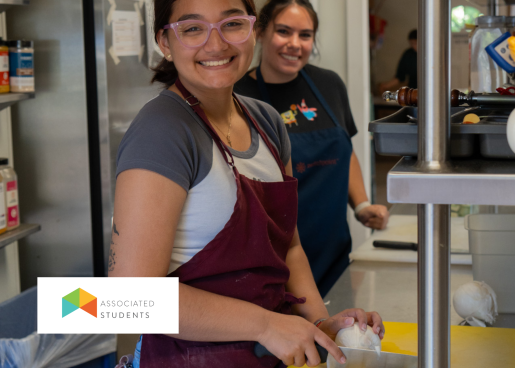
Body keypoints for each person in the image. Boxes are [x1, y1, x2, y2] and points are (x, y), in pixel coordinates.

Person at [109, 0, 385, 367]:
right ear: (165, 41)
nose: (216, 44)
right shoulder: (162, 131)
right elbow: (128, 300)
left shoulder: (266, 122)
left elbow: (289, 249)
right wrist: (266, 325)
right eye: (192, 28)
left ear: (253, 30)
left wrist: (321, 326)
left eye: (232, 24)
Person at [234, 0, 390, 297]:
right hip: (272, 259)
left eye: (305, 35)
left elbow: (345, 151)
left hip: (333, 252)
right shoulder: (239, 95)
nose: (295, 44)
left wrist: (361, 205)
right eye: (283, 31)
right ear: (261, 33)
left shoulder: (329, 84)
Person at [378, 29, 418, 94]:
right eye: (411, 44)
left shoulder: (430, 54)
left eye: (415, 43)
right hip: (413, 92)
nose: (413, 46)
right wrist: (386, 86)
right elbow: (400, 76)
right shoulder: (408, 54)